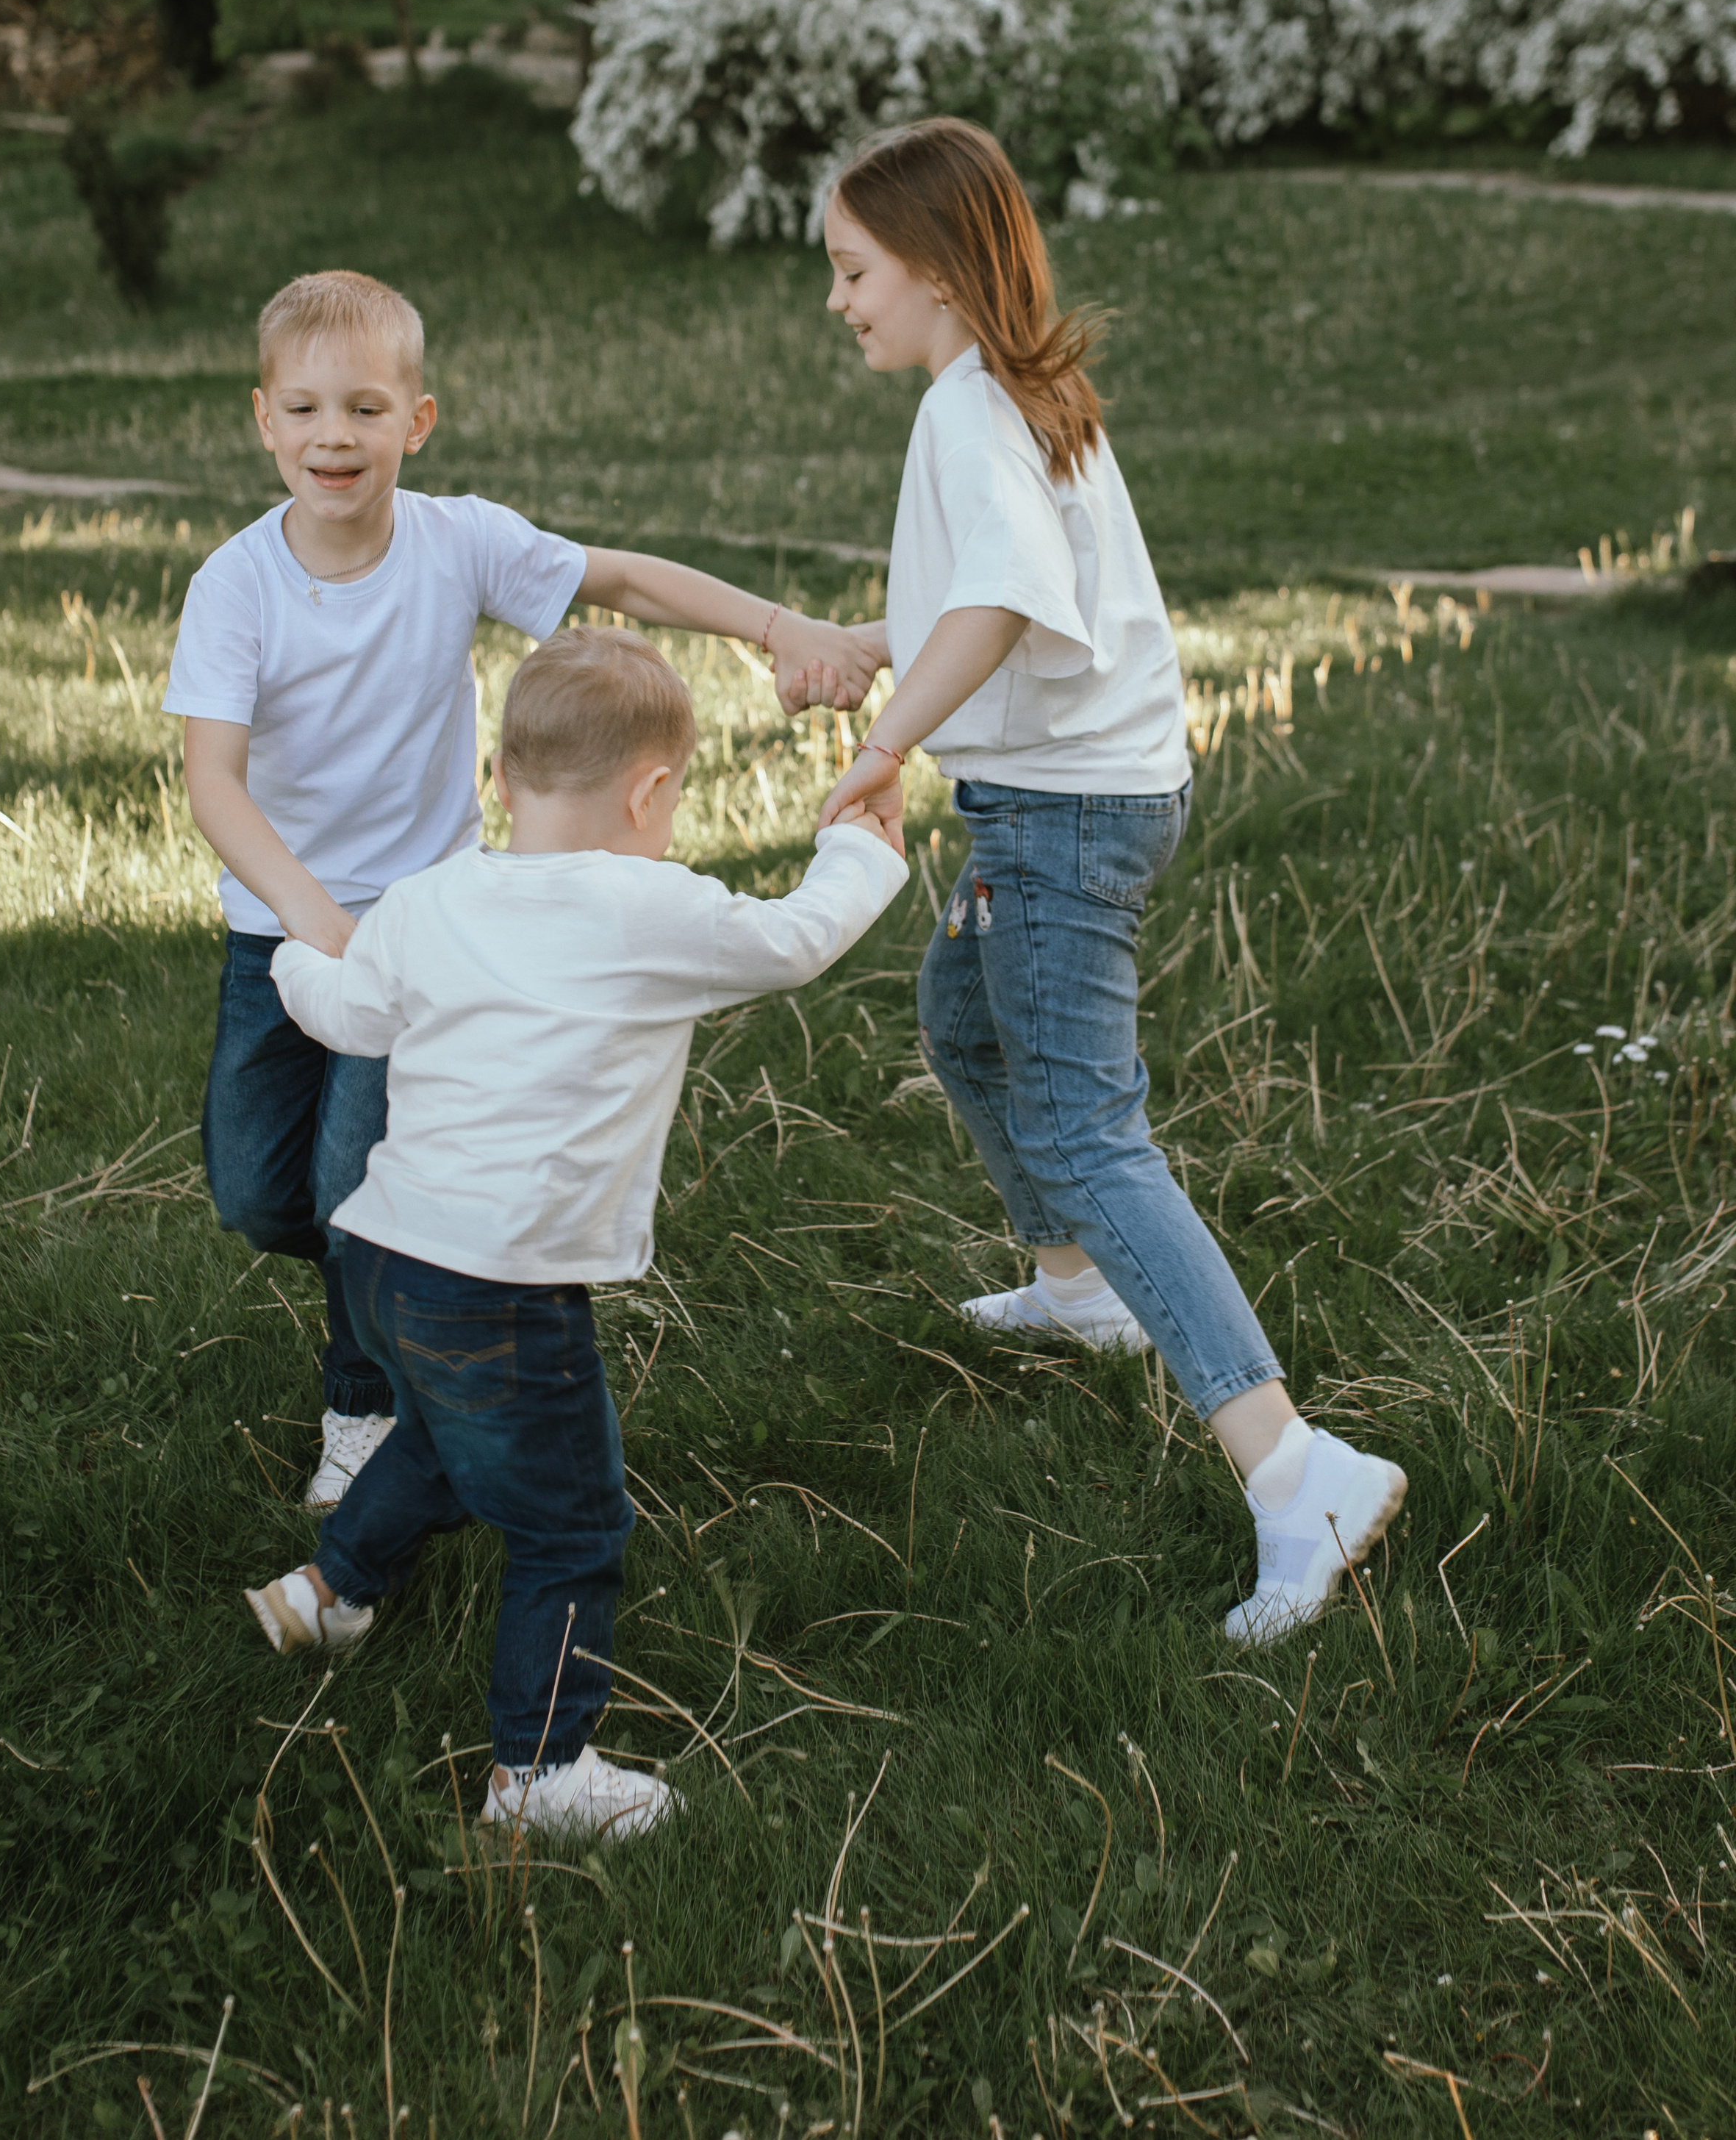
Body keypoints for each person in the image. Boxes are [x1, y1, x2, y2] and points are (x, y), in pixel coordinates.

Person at [809, 120, 1406, 1646]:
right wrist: (882, 644)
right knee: (964, 1021)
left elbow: (1009, 596)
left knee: (1083, 1123)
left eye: (853, 269)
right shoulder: (1014, 390)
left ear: (935, 270)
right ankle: (1074, 1286)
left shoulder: (965, 409)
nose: (837, 299)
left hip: (1059, 822)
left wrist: (882, 745)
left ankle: (1295, 1471)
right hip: (1083, 793)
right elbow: (1000, 590)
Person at [167, 270, 879, 1506]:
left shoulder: (456, 541)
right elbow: (214, 785)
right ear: (263, 420)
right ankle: (384, 1346)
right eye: (305, 410)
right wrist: (308, 917)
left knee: (355, 1198)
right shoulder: (237, 586)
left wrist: (778, 630)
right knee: (258, 1195)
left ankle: (368, 1406)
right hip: (279, 931)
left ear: (419, 421)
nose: (335, 436)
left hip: (435, 933)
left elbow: (625, 584)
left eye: (366, 409)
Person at [245, 626, 907, 1839]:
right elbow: (795, 941)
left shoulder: (426, 899)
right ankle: (538, 1773)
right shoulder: (648, 906)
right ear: (652, 792)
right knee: (571, 1521)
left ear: (499, 778)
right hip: (505, 1280)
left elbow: (347, 1016)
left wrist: (290, 953)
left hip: (387, 1257)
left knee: (445, 1436)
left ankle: (330, 1589)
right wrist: (857, 855)